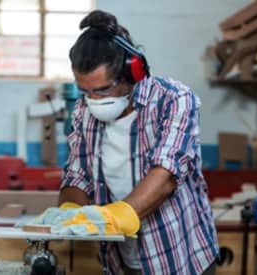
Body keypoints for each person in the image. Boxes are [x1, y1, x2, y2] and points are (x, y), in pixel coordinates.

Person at [55, 9, 219, 275]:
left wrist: (117, 216)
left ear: (133, 73)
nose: (93, 101)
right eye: (85, 91)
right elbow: (77, 175)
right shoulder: (83, 111)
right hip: (121, 260)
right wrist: (70, 212)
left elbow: (166, 174)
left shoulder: (174, 100)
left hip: (179, 258)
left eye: (103, 90)